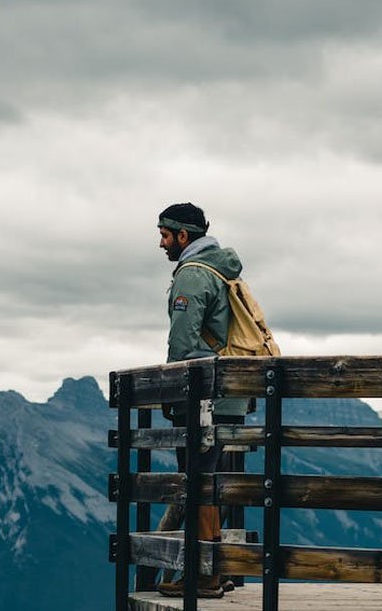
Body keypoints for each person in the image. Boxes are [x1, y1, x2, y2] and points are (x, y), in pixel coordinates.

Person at [154, 202, 251, 599]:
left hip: (203, 398)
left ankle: (204, 574)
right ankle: (214, 569)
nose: (160, 243)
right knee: (209, 484)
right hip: (228, 395)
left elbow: (182, 345)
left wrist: (169, 390)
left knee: (197, 485)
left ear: (183, 235)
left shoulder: (193, 276)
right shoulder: (221, 269)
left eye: (165, 235)